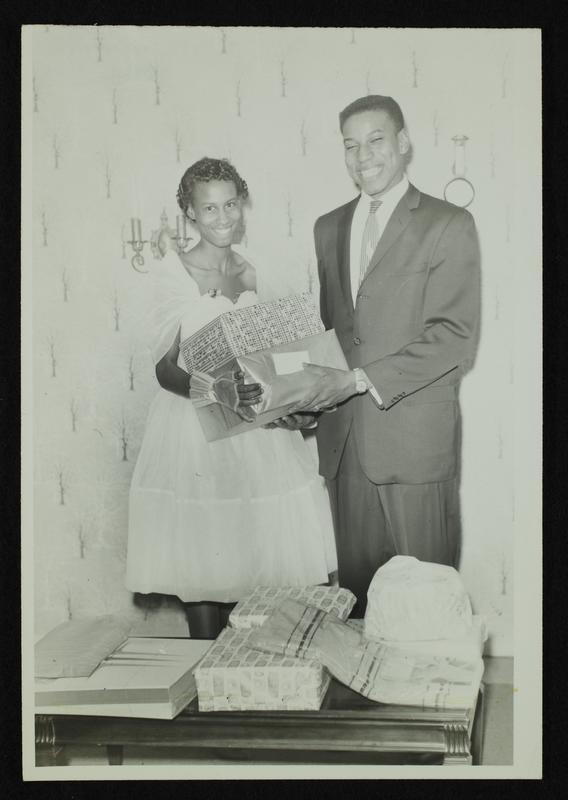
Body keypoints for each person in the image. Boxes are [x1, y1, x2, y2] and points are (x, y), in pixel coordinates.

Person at [283, 95, 481, 616]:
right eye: (350, 145)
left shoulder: (447, 222)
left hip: (415, 449)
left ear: (403, 142)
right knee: (358, 613)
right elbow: (333, 335)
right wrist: (303, 401)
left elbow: (454, 336)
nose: (362, 156)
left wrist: (353, 381)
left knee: (427, 612)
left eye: (375, 140)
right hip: (344, 448)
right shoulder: (328, 227)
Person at [125, 157, 337, 638]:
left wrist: (294, 406)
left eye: (230, 205)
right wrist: (213, 388)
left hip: (256, 431)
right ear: (190, 212)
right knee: (203, 559)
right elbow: (164, 369)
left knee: (258, 554)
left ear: (242, 204)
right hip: (195, 429)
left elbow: (283, 359)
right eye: (209, 208)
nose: (222, 218)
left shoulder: (257, 271)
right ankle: (204, 667)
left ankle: (246, 668)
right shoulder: (174, 273)